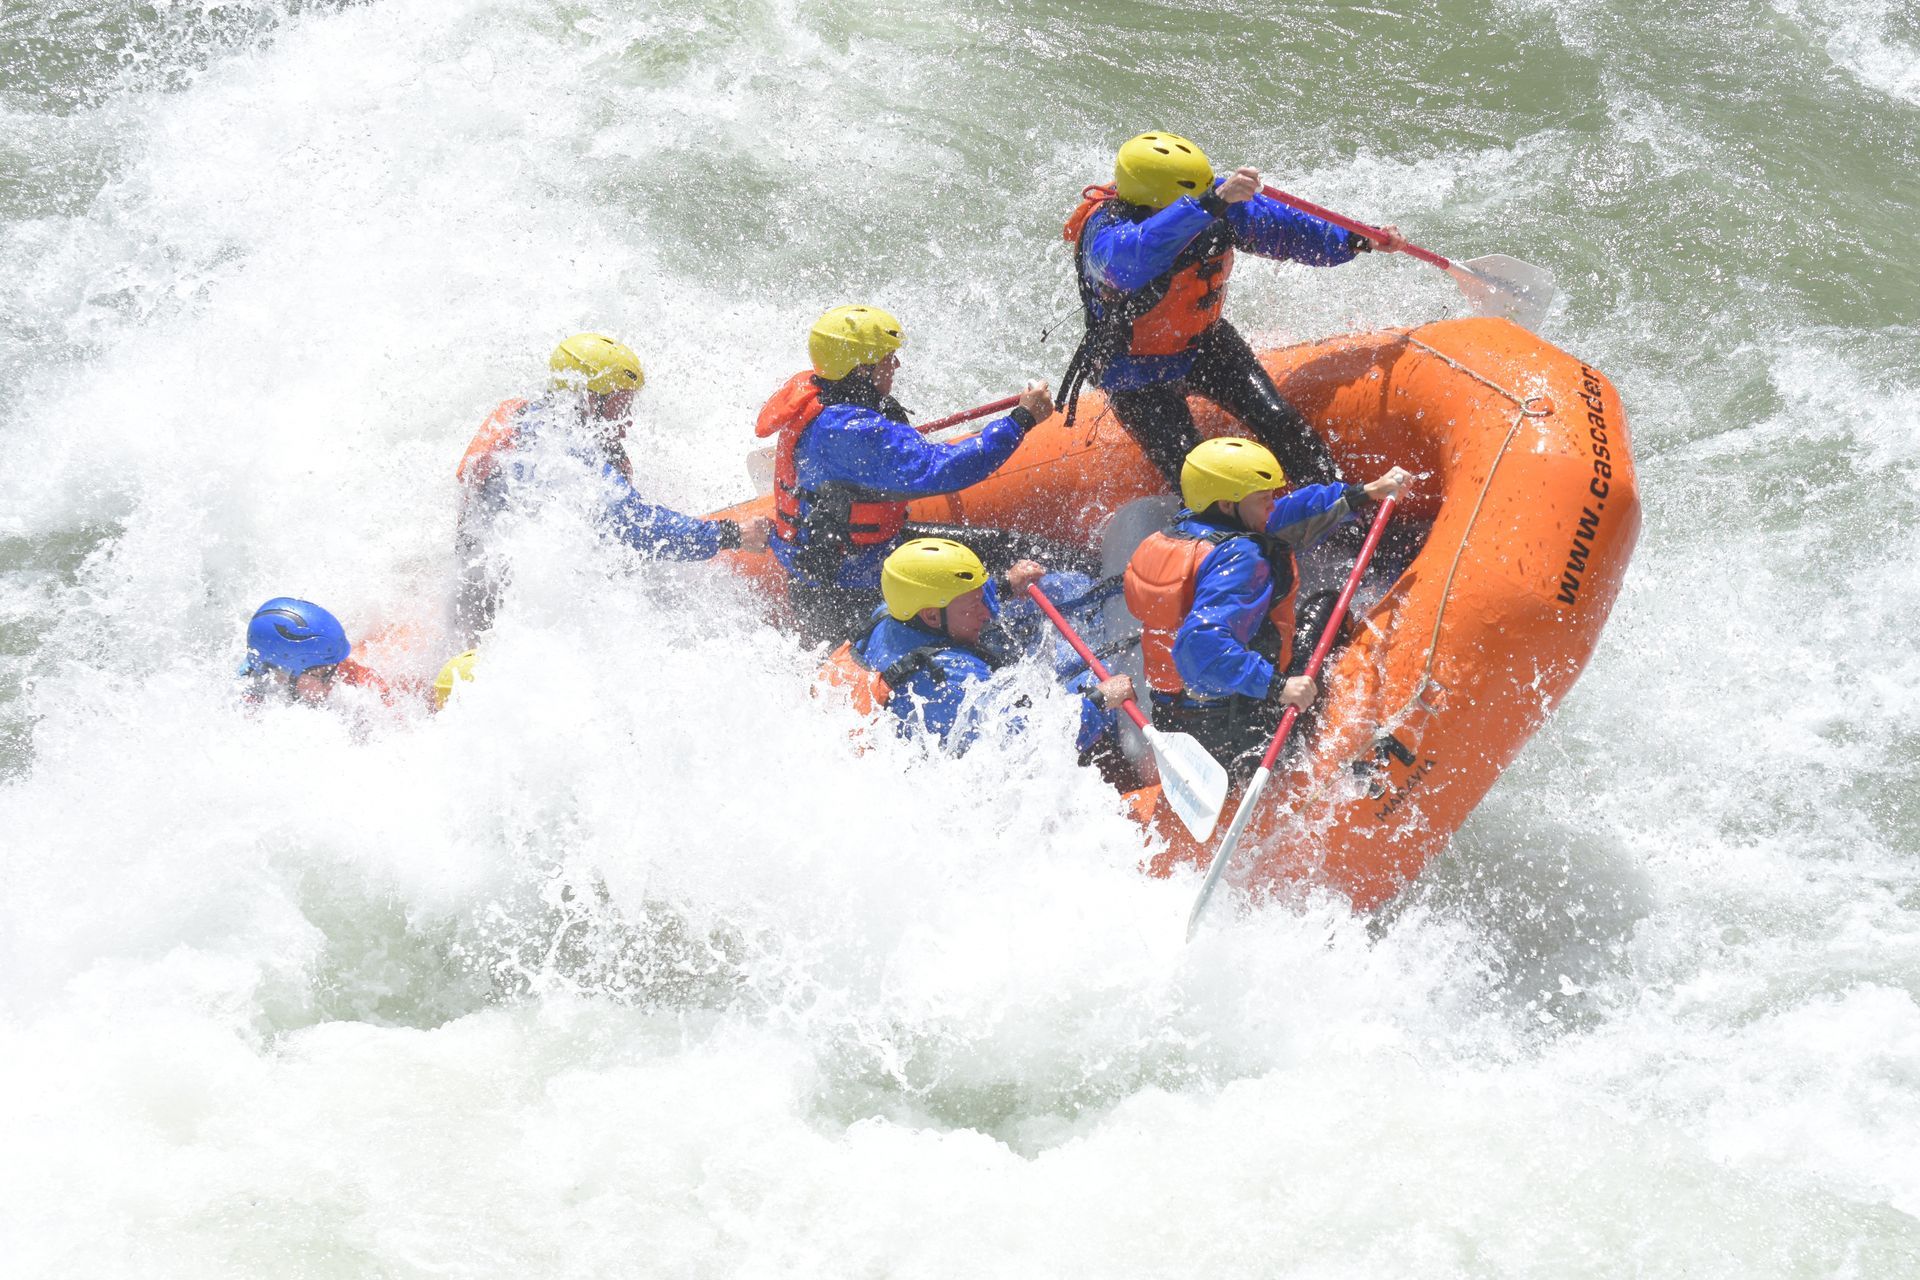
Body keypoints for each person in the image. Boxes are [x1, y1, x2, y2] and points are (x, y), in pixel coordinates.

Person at [1060, 132, 1408, 488]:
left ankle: (1339, 516)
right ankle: (1226, 538)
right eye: (1192, 200)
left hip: (1205, 346)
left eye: (1203, 196)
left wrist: (1355, 238)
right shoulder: (1106, 231)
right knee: (1196, 474)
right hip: (1133, 371)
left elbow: (1289, 230)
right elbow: (1132, 259)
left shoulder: (1220, 206)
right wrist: (1207, 205)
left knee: (1280, 421)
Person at [755, 305, 1054, 645]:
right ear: (861, 370)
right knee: (999, 607)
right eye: (887, 358)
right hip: (851, 594)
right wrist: (1022, 420)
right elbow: (941, 468)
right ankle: (1005, 591)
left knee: (1009, 547)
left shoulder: (828, 398)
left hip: (855, 561)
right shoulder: (850, 431)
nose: (895, 365)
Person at [455, 333, 770, 639]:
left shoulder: (522, 417)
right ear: (588, 399)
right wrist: (731, 534)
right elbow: (639, 527)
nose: (628, 419)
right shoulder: (570, 460)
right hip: (513, 614)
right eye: (620, 405)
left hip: (480, 590)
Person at [1123, 438, 1410, 772]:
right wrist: (1279, 687)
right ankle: (1324, 728)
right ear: (1228, 506)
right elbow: (1200, 645)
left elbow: (1285, 517)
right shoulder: (1241, 557)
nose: (1272, 506)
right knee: (1327, 607)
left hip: (1173, 720)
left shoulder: (1184, 531)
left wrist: (1361, 493)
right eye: (1264, 500)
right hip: (1240, 726)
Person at [817, 537, 1133, 756]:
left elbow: (956, 602)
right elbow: (1028, 745)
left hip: (932, 681)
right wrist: (1098, 700)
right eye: (975, 604)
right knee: (1091, 681)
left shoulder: (891, 613)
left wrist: (1006, 583)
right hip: (960, 737)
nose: (986, 611)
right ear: (930, 615)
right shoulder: (949, 680)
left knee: (1064, 590)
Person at [239, 597, 391, 706]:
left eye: (335, 667)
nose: (334, 679)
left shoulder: (329, 663)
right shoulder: (246, 701)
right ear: (282, 675)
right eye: (324, 673)